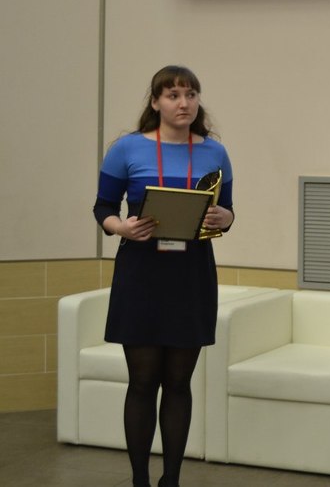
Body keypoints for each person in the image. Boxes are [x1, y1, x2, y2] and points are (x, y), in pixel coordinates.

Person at [93, 66, 235, 487]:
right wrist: (121, 228)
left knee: (178, 383)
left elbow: (226, 212)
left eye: (190, 94)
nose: (183, 103)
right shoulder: (127, 148)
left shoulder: (214, 152)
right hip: (141, 273)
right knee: (142, 382)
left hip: (190, 275)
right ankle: (139, 479)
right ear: (155, 102)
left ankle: (171, 480)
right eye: (173, 95)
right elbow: (103, 208)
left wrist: (226, 218)